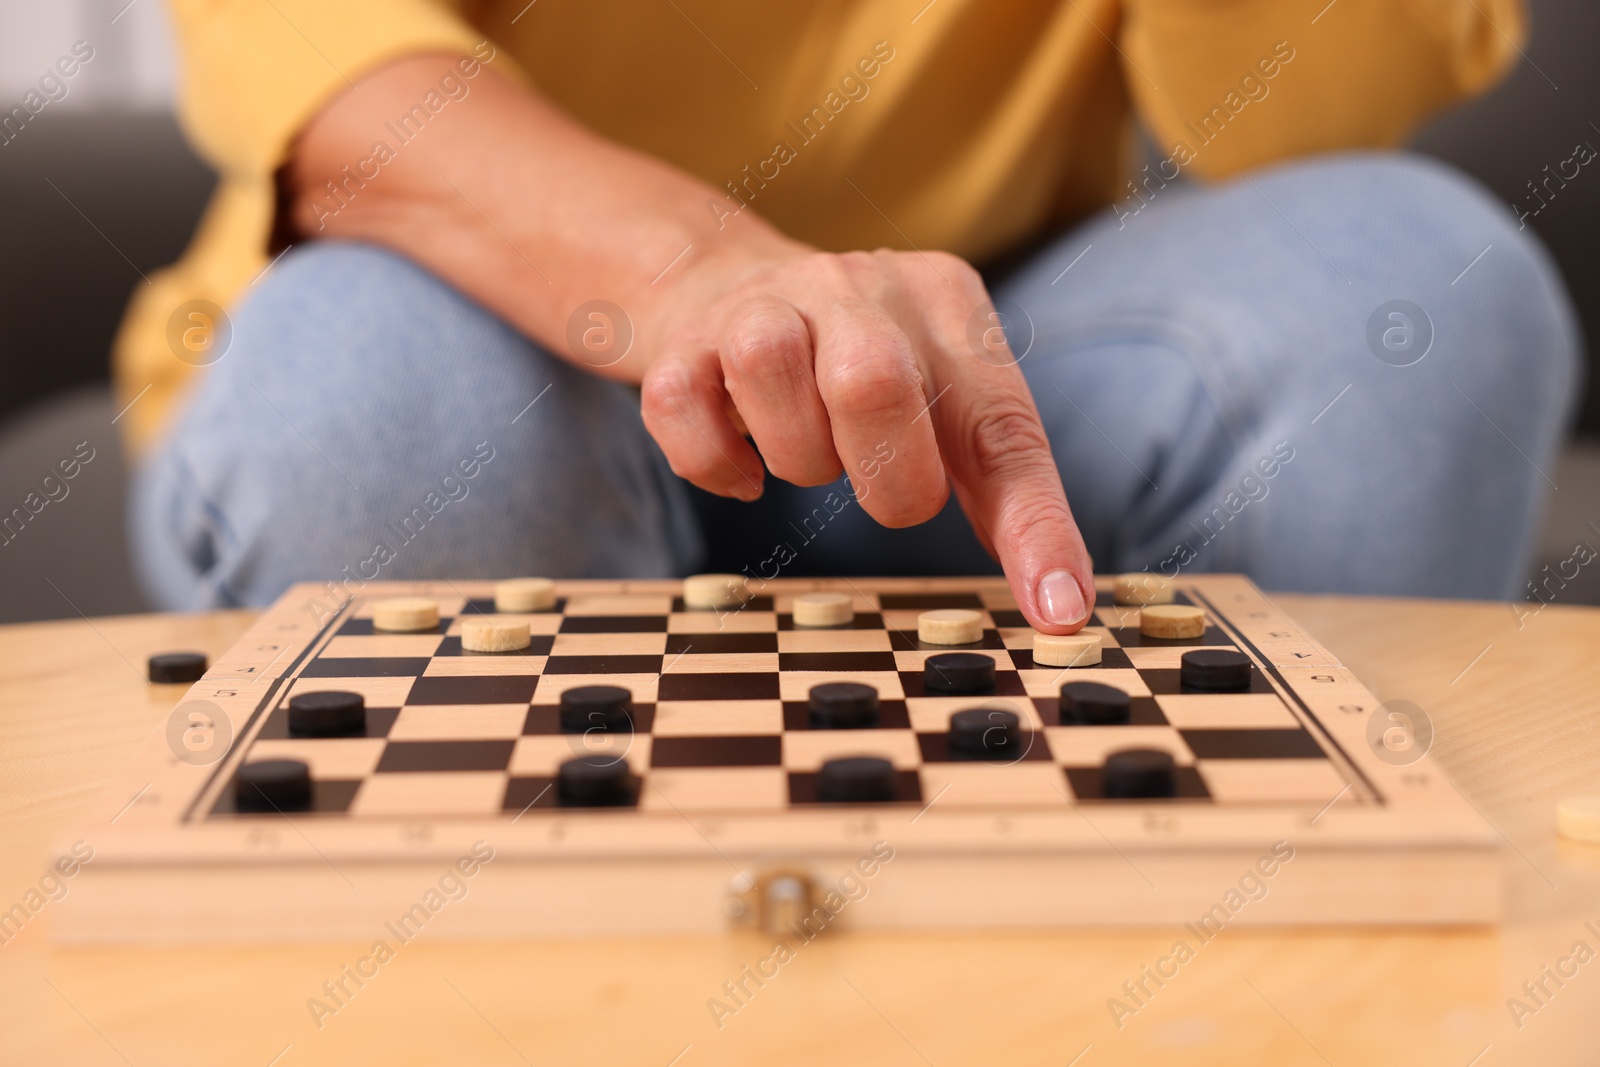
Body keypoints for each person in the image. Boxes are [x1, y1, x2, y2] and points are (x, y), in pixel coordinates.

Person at [120, 0, 1578, 629]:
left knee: (1419, 295)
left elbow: (1311, 114)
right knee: (369, 419)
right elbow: (334, 72)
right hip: (493, 328)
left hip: (1000, 382)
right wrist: (699, 273)